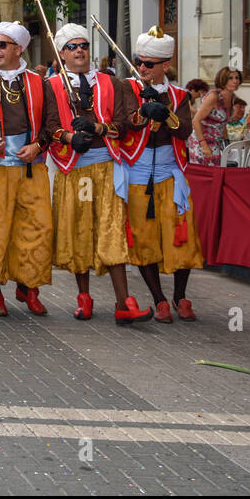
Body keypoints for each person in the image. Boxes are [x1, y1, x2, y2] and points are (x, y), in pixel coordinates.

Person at [45, 24, 152, 325]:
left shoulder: (111, 82)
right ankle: (84, 299)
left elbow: (126, 122)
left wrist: (99, 129)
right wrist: (68, 138)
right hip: (75, 171)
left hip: (107, 167)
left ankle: (124, 302)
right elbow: (47, 125)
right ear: (62, 54)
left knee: (112, 230)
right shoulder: (51, 85)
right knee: (81, 230)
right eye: (73, 47)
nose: (80, 50)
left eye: (84, 45)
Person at [119, 27, 203, 323]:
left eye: (149, 64)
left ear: (165, 65)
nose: (142, 68)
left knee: (182, 235)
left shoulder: (179, 95)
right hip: (138, 172)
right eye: (139, 62)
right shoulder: (127, 88)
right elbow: (125, 124)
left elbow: (183, 129)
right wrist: (144, 111)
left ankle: (181, 297)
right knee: (143, 239)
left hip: (171, 172)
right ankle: (159, 300)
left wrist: (164, 110)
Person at [0, 23, 54, 317]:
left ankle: (29, 287)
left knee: (38, 228)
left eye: (2, 44)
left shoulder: (39, 82)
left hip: (31, 167)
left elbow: (51, 125)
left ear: (19, 49)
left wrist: (38, 145)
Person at [188, 67, 241, 165]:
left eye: (237, 78)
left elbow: (223, 123)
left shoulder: (232, 97)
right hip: (202, 139)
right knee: (207, 174)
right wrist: (203, 144)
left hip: (217, 140)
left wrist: (226, 142)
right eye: (230, 78)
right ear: (223, 80)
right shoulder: (214, 96)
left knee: (218, 171)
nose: (235, 81)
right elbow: (196, 120)